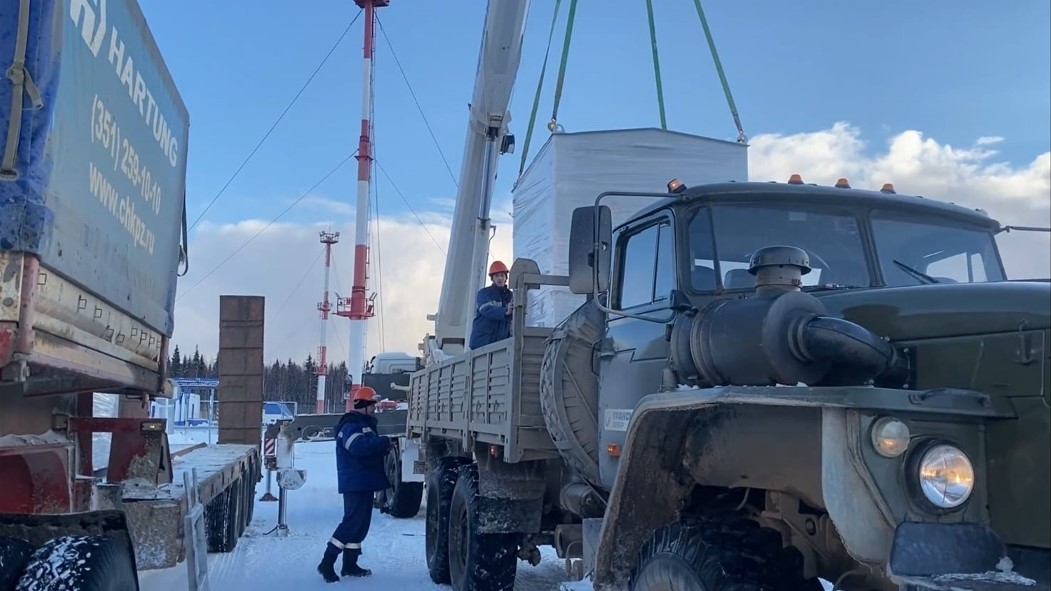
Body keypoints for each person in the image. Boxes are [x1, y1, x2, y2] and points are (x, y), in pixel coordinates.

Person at [316, 386, 391, 582]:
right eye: (373, 404)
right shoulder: (351, 426)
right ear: (364, 404)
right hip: (356, 482)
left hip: (363, 481)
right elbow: (357, 448)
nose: (375, 407)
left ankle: (350, 564)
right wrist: (381, 443)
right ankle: (327, 562)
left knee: (361, 524)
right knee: (351, 523)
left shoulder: (362, 423)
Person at [469, 260, 513, 349]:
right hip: (482, 344)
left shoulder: (510, 295)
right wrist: (505, 311)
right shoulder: (484, 293)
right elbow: (486, 309)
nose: (500, 278)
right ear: (492, 279)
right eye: (496, 276)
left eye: (502, 275)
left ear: (506, 278)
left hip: (500, 345)